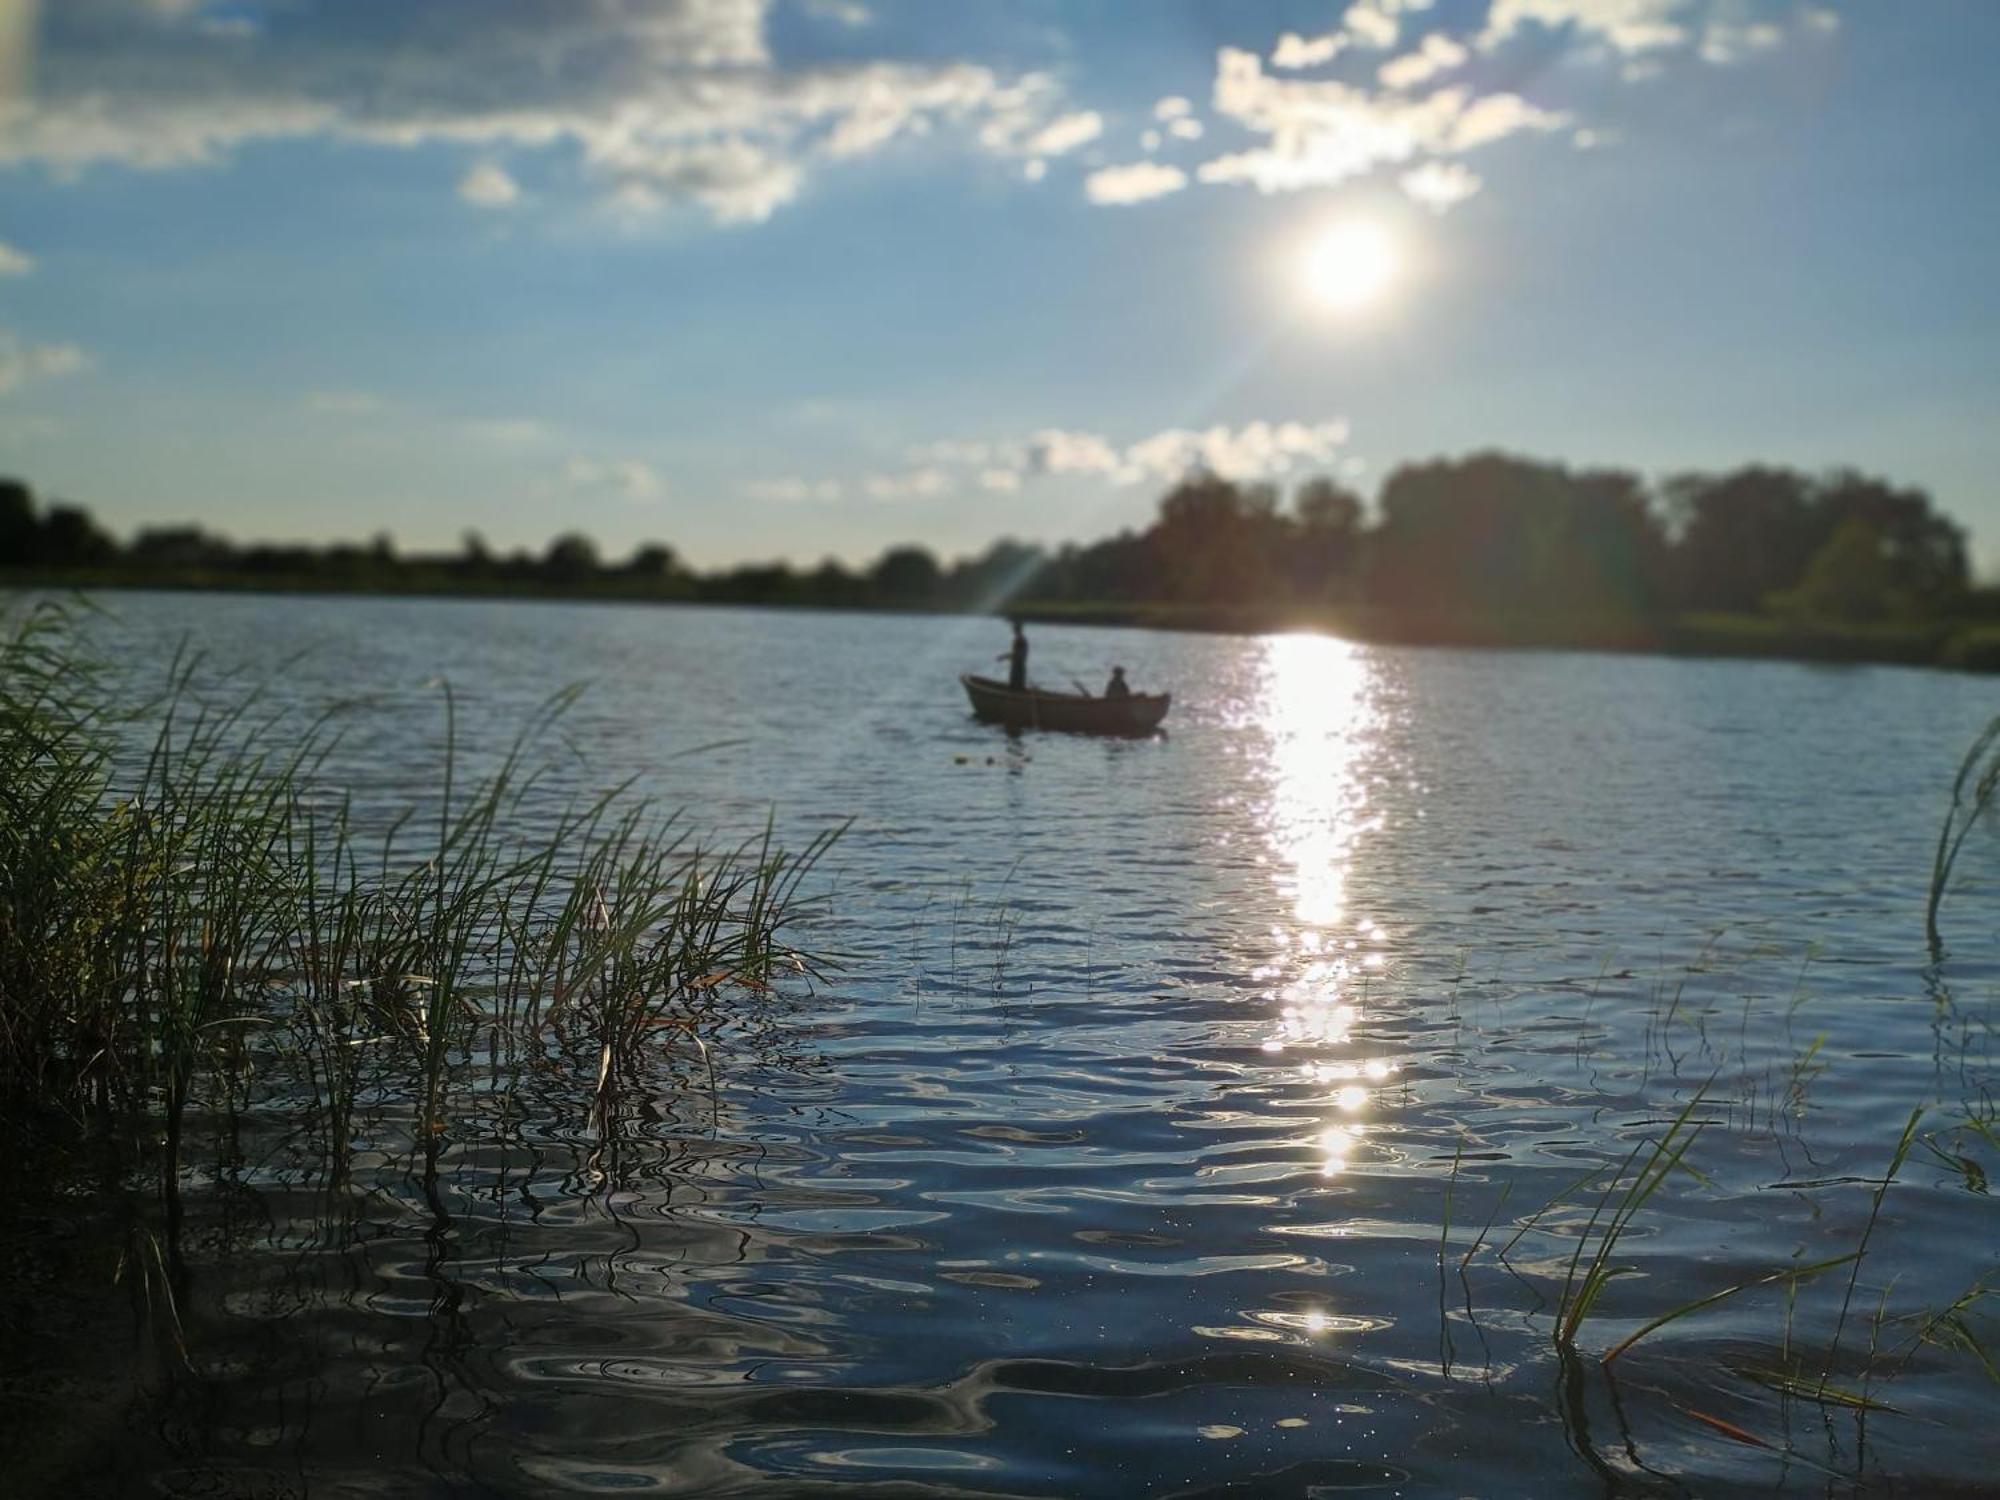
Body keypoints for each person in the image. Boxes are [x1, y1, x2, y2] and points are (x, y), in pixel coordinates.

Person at [998, 619, 1028, 691]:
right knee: (1017, 688)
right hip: (1019, 667)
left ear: (1016, 629)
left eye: (1014, 628)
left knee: (1015, 688)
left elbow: (1016, 654)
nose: (1012, 629)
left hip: (1018, 668)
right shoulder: (1021, 639)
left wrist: (1003, 657)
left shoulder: (1020, 640)